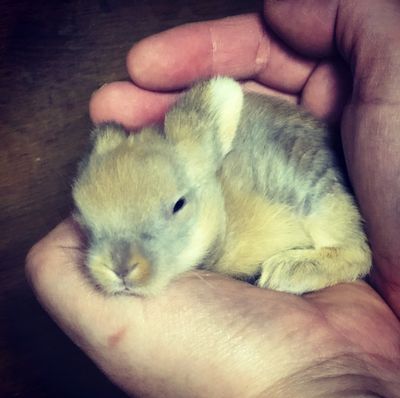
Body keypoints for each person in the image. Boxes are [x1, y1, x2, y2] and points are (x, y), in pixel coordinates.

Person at [26, 1, 400, 396]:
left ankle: (344, 248)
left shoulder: (218, 173)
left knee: (294, 164)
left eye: (174, 209)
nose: (119, 264)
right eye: (92, 223)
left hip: (288, 167)